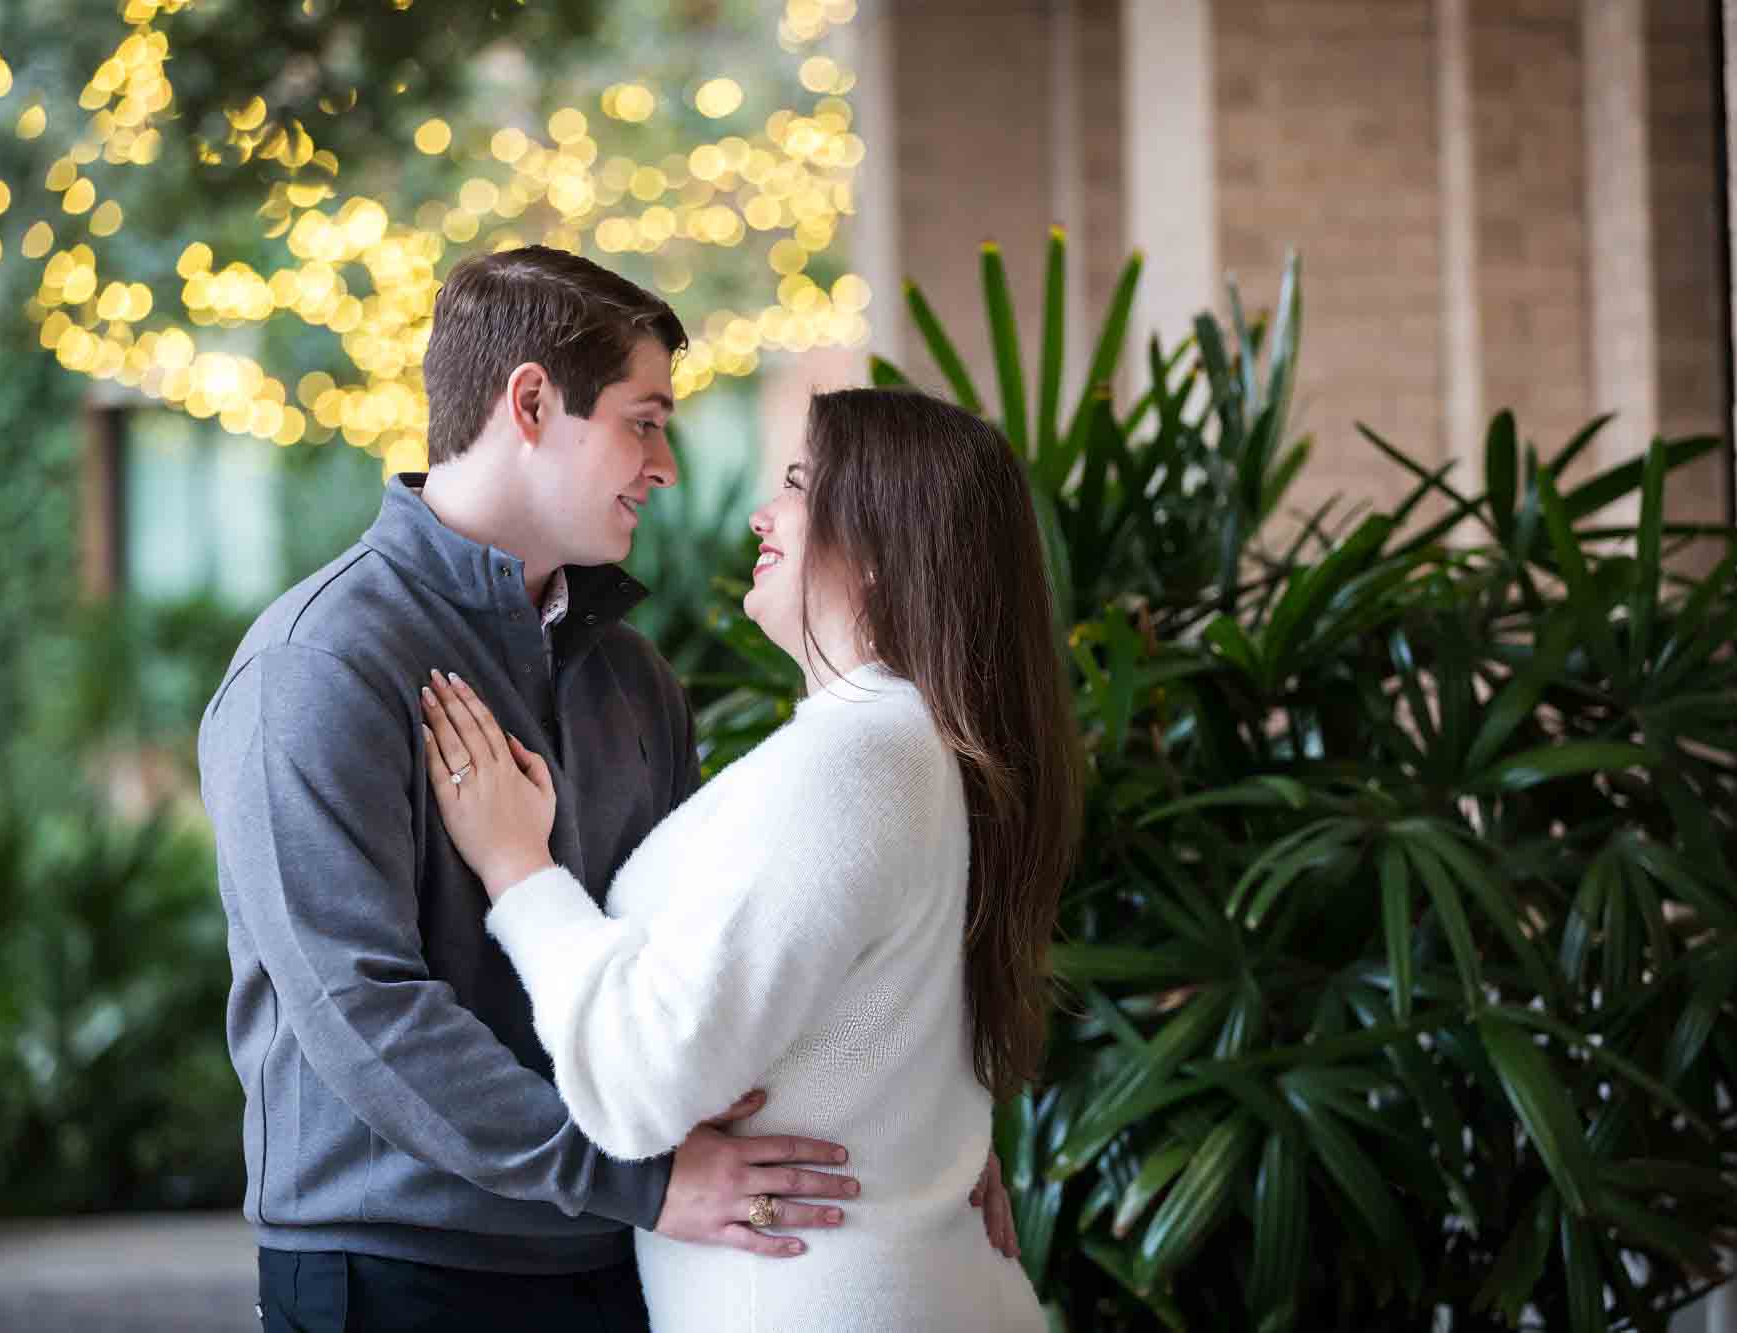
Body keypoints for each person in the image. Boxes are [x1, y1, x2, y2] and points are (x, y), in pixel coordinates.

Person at [198, 247, 875, 1333]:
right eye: (641, 420)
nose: (665, 465)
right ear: (528, 401)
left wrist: (932, 1143)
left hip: (618, 1258)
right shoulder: (316, 664)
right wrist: (643, 1179)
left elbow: (688, 965)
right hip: (398, 1266)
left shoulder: (633, 678)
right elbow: (358, 1007)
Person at [418, 386, 1083, 1331]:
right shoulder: (903, 744)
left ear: (887, 551)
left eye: (802, 486)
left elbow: (643, 1084)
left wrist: (517, 870)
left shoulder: (854, 759)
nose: (762, 515)